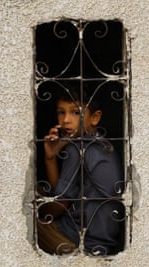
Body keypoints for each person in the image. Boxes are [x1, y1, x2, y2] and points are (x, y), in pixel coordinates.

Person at [37, 88, 124, 256]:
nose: (66, 120)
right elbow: (62, 194)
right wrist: (51, 157)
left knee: (23, 215)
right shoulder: (105, 146)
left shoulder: (78, 149)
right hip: (104, 241)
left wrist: (37, 211)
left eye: (76, 113)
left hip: (81, 242)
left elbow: (59, 205)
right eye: (61, 113)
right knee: (40, 193)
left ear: (95, 118)